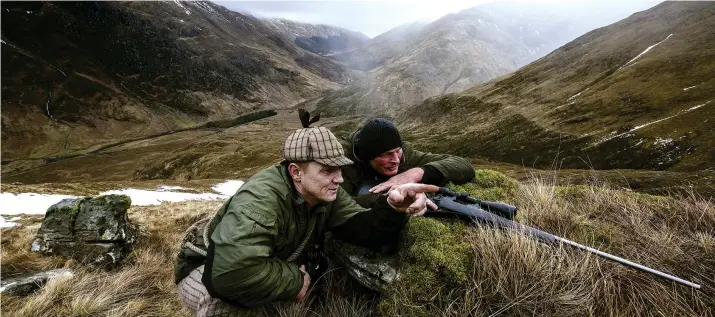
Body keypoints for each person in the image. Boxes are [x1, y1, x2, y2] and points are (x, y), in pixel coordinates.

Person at [175, 124, 439, 316]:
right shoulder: (261, 201)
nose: (339, 179)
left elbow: (363, 229)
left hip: (267, 262)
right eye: (327, 171)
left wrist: (393, 207)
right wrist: (295, 280)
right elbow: (228, 275)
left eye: (339, 169)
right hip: (206, 265)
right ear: (296, 172)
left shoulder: (326, 194)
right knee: (227, 305)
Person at [341, 118, 475, 209]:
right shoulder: (343, 162)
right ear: (367, 157)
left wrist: (416, 173)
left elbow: (464, 165)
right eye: (385, 155)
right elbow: (338, 206)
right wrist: (391, 198)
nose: (396, 160)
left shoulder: (406, 154)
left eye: (397, 151)